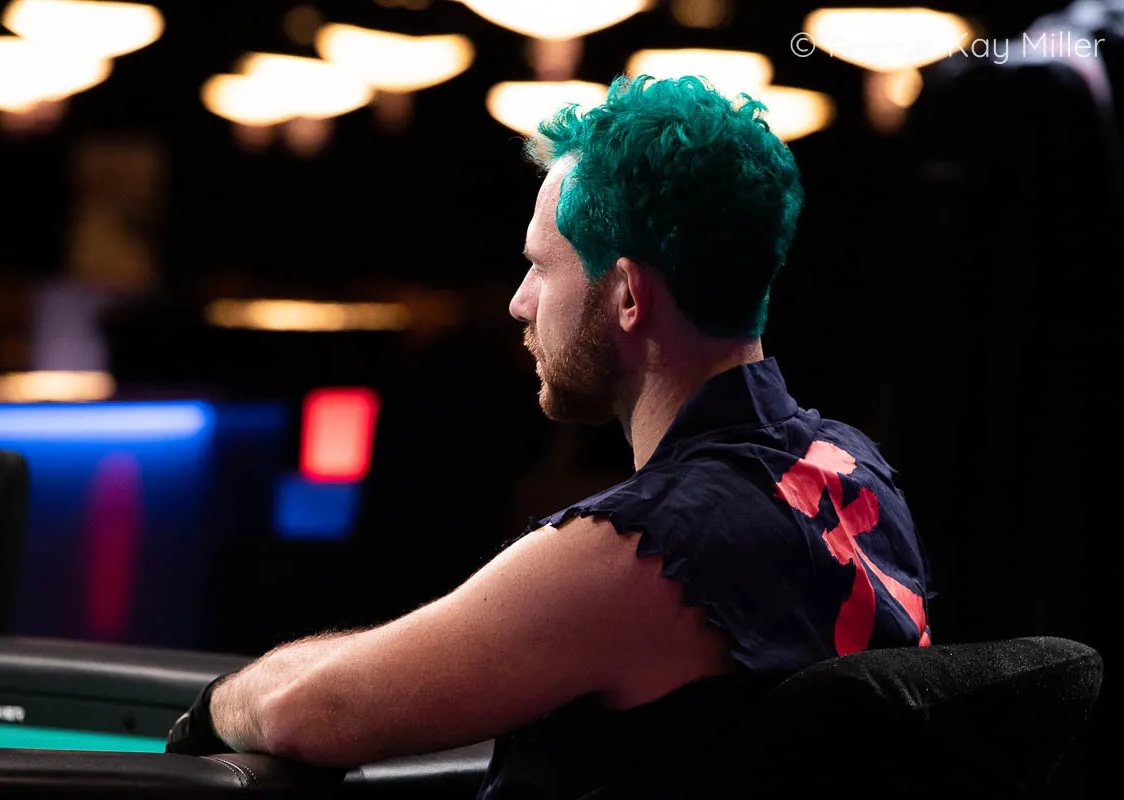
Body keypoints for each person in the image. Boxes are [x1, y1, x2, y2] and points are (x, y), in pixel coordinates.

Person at [166, 75, 933, 798]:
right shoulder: (857, 472)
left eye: (541, 266)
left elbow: (309, 711)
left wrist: (221, 702)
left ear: (627, 294)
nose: (519, 302)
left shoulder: (646, 551)